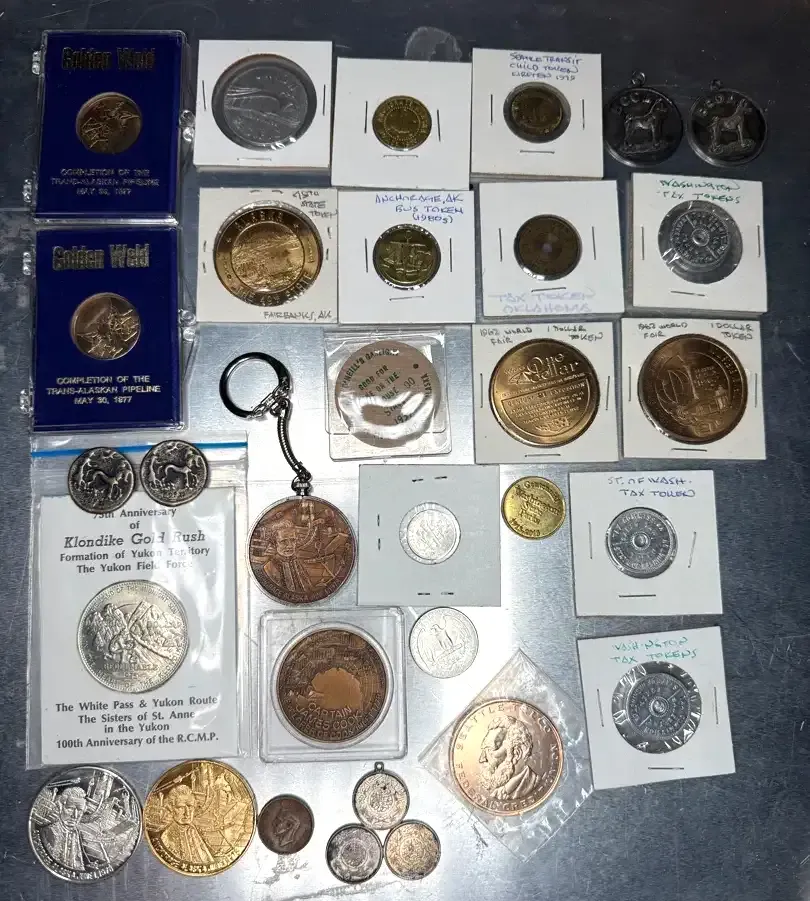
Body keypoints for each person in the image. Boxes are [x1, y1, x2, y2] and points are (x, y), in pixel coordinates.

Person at [478, 715, 541, 801]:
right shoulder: (498, 789)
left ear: (517, 753)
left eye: (491, 751)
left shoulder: (535, 783)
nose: (482, 759)